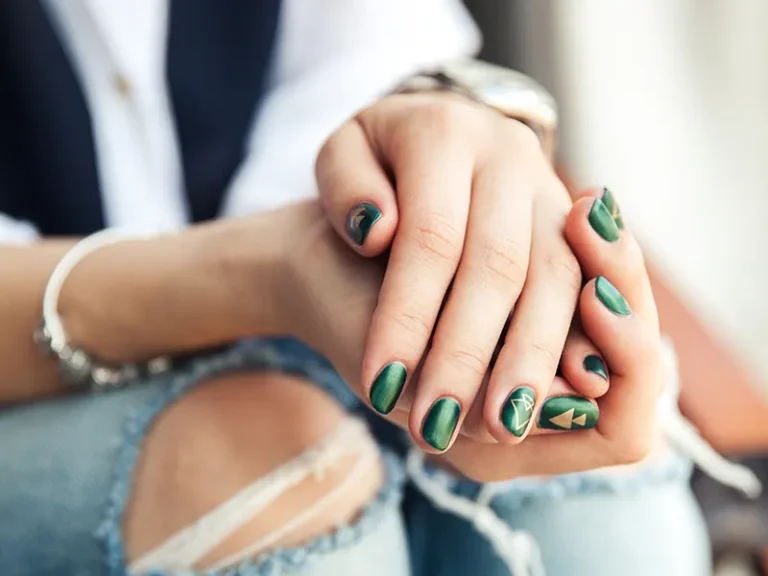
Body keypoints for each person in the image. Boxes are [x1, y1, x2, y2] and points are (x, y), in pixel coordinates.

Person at [0, 1, 746, 575]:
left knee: (538, 408)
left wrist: (461, 150)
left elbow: (381, 63)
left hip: (287, 306)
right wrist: (270, 270)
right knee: (267, 457)